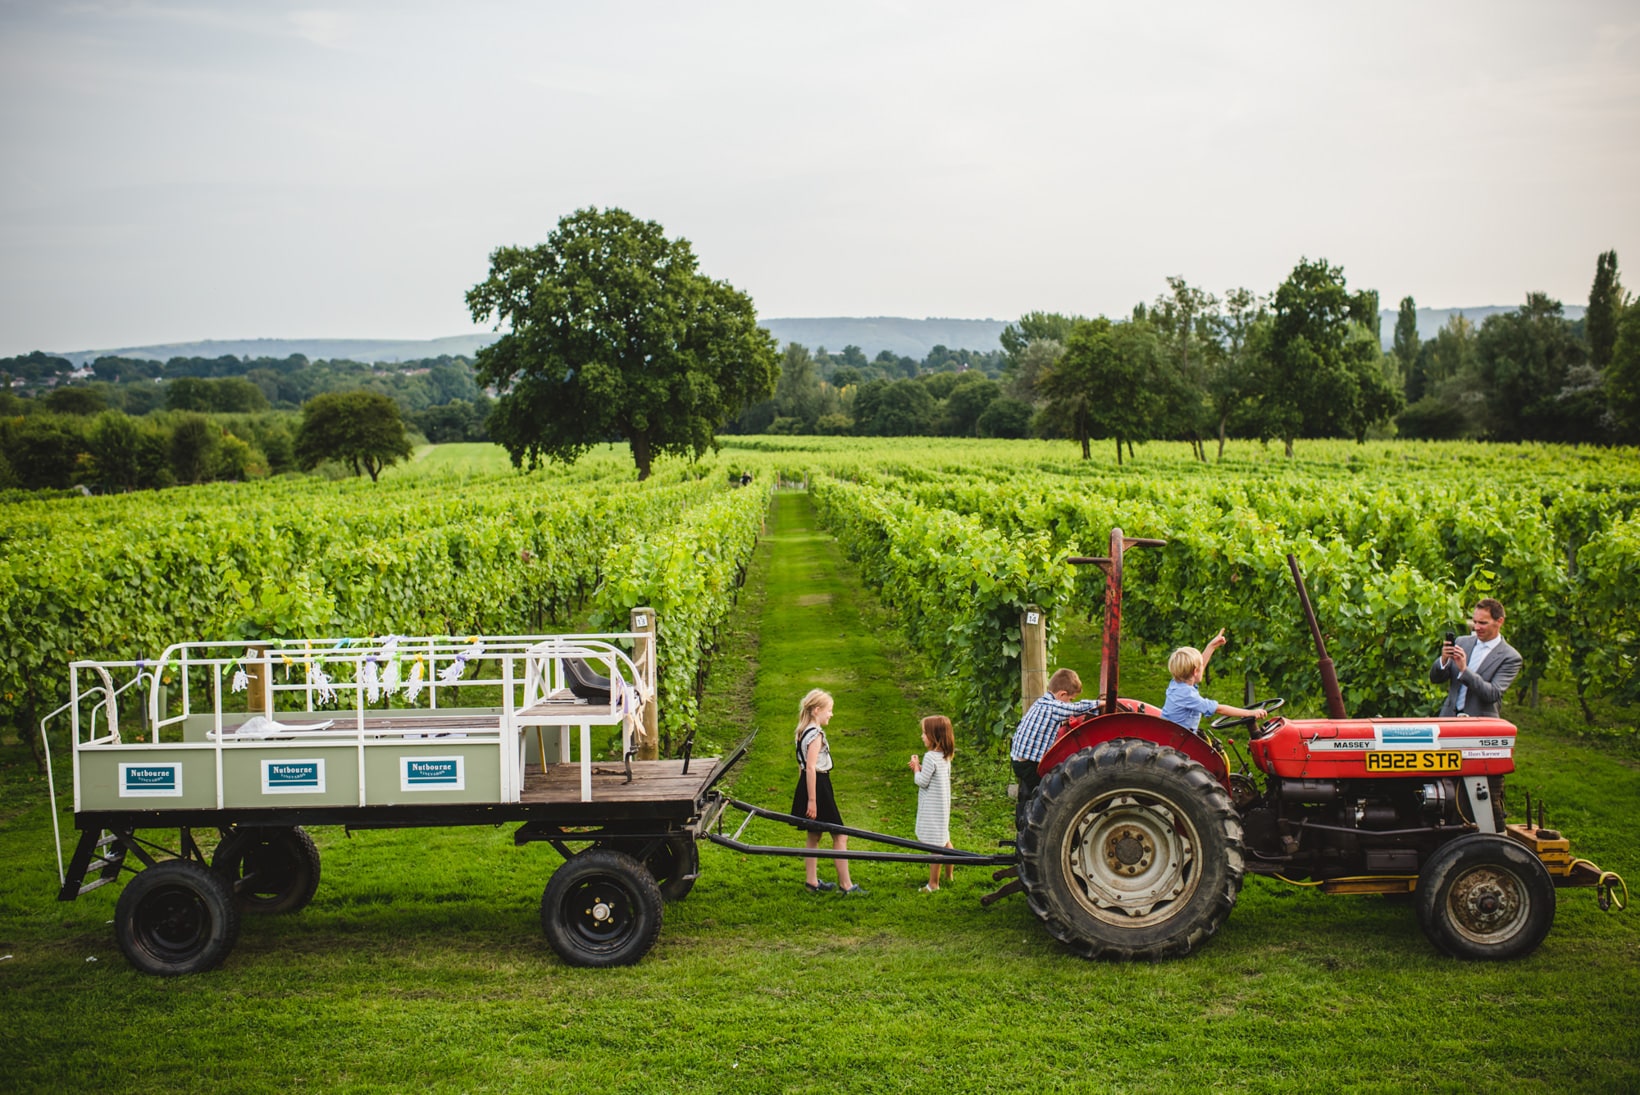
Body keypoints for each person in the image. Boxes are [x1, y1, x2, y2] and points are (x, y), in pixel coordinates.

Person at [792, 688, 866, 896]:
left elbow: (802, 766)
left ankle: (812, 881)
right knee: (840, 834)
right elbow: (811, 767)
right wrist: (813, 800)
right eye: (829, 710)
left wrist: (804, 793)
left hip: (807, 785)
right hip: (819, 785)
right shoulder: (816, 735)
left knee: (814, 834)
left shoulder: (801, 732)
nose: (831, 714)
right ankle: (846, 884)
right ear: (817, 710)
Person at [1010, 668, 1100, 831]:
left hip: (1019, 759)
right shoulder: (1053, 707)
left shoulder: (1042, 702)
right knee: (1047, 796)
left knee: (1033, 792)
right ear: (1062, 695)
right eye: (1070, 699)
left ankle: (1027, 821)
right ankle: (1029, 825)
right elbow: (1076, 709)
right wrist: (1099, 704)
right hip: (1028, 763)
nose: (1070, 703)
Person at [1161, 630, 1270, 733]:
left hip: (1170, 732)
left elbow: (1198, 666)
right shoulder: (1188, 696)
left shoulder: (1177, 683)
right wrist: (1250, 713)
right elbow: (1220, 709)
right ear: (1195, 671)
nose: (1203, 668)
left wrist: (1211, 646)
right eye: (1201, 668)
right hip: (1178, 739)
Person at [1430, 598, 1522, 718]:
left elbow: (1492, 694)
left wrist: (1464, 670)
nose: (1476, 627)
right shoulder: (1462, 642)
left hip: (1481, 724)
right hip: (1449, 717)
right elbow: (1435, 679)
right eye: (1475, 622)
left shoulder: (1510, 657)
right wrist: (1443, 660)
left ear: (1499, 621)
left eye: (1483, 623)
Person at [909, 714, 955, 892]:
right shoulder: (945, 755)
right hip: (942, 806)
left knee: (935, 847)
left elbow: (922, 781)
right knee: (945, 840)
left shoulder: (930, 757)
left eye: (924, 733)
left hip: (932, 808)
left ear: (934, 736)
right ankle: (949, 876)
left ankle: (933, 884)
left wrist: (916, 768)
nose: (922, 736)